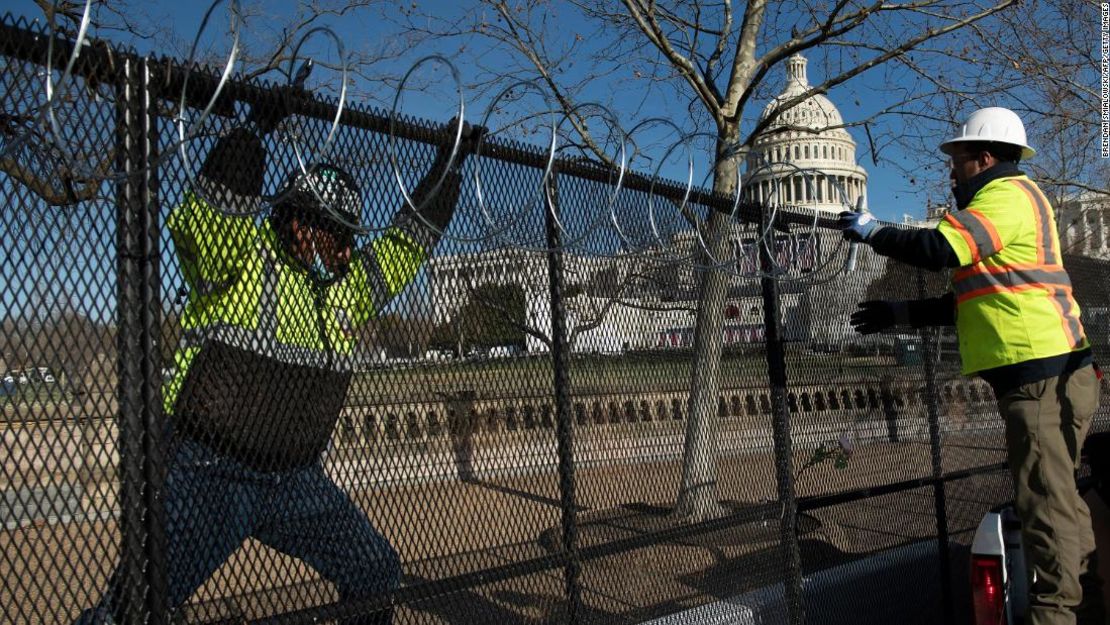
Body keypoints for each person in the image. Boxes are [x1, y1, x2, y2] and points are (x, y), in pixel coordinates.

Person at [77, 93, 483, 624]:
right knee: (136, 605)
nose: (333, 246)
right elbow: (211, 218)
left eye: (342, 235)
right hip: (211, 467)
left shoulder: (348, 285)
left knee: (375, 570)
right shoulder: (242, 258)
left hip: (294, 477)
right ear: (294, 219)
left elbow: (407, 244)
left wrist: (448, 165)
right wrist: (253, 132)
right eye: (323, 229)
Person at [837, 106, 1103, 624]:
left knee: (1044, 506)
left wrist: (873, 231)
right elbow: (981, 295)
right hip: (1054, 370)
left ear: (983, 158)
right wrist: (902, 313)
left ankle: (1058, 616)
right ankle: (1089, 602)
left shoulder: (1004, 196)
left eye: (956, 159)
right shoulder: (1015, 203)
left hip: (1040, 374)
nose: (950, 170)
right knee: (1062, 498)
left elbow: (940, 248)